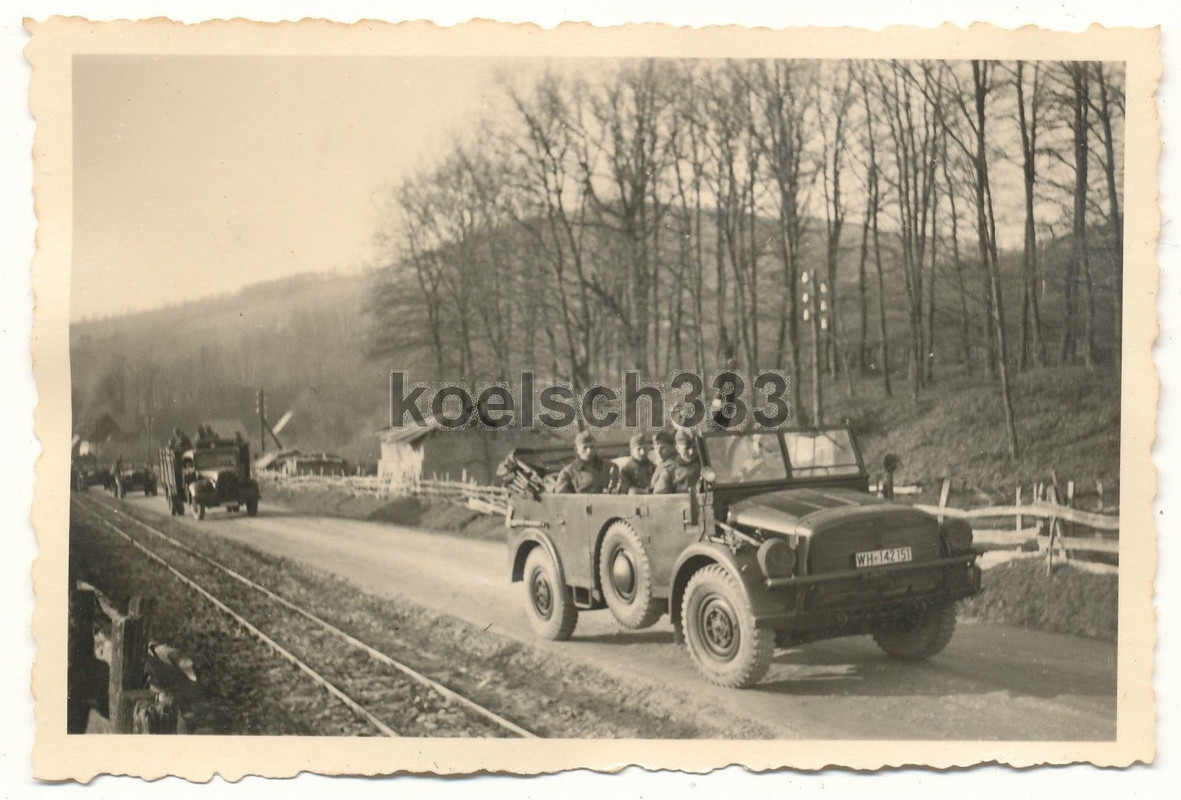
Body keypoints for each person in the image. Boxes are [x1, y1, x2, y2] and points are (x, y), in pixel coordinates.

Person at [651, 428, 702, 493]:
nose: (691, 452)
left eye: (694, 447)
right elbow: (660, 497)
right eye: (687, 448)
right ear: (677, 448)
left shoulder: (705, 464)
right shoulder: (670, 470)